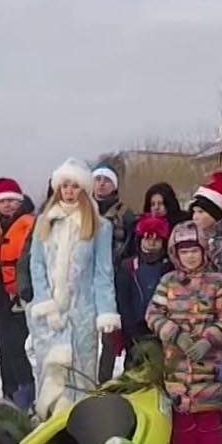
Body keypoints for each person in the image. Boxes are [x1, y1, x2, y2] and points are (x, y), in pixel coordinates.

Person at [26, 158, 120, 419]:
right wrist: (44, 302)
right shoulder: (45, 222)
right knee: (50, 374)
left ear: (84, 189)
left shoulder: (100, 226)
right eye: (64, 186)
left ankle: (80, 427)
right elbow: (35, 265)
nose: (69, 191)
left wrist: (106, 312)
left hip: (81, 313)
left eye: (74, 186)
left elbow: (103, 274)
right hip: (48, 316)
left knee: (81, 373)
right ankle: (47, 425)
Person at [148, 223, 222, 444]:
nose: (190, 256)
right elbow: (153, 314)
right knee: (183, 414)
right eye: (184, 252)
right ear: (175, 254)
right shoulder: (168, 282)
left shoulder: (217, 282)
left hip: (209, 363)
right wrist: (176, 335)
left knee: (209, 415)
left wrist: (209, 339)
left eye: (194, 250)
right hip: (177, 363)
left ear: (204, 251)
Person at [0, 177, 37, 412]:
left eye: (14, 200)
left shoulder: (30, 224)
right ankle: (9, 391)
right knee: (4, 346)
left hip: (21, 294)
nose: (10, 205)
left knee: (16, 345)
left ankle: (26, 389)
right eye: (4, 202)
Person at [92, 163, 134, 384]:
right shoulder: (82, 210)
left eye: (106, 180)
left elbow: (132, 247)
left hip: (114, 280)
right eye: (97, 179)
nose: (101, 183)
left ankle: (104, 381)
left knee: (110, 337)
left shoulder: (125, 214)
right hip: (85, 282)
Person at [116, 215, 171, 369]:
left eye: (157, 239)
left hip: (162, 331)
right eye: (147, 238)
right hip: (134, 330)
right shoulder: (128, 267)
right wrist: (129, 329)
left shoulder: (169, 268)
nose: (152, 242)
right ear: (140, 239)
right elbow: (123, 300)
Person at [189, 178, 222, 282]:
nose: (195, 217)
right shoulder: (194, 235)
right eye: (194, 212)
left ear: (215, 215)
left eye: (201, 212)